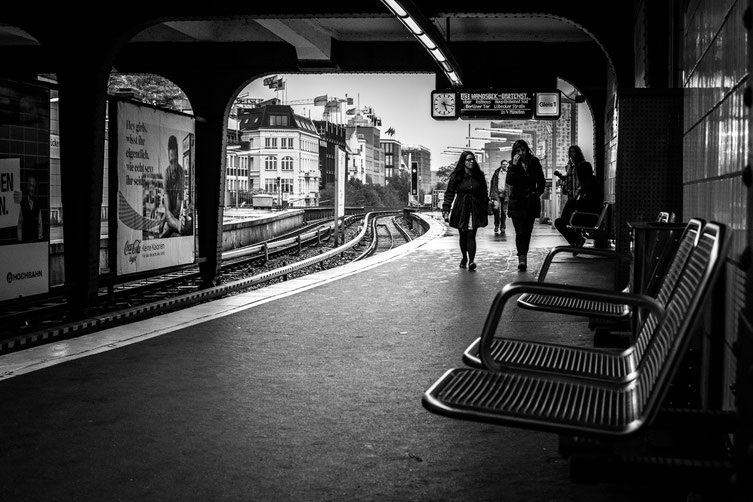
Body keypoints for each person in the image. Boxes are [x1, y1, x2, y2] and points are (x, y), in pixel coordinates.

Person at [441, 150, 489, 271]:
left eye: (473, 159)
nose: (471, 161)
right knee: (463, 235)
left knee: (471, 235)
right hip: (461, 207)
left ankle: (472, 261)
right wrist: (446, 208)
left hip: (475, 207)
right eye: (469, 159)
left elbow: (484, 192)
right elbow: (450, 193)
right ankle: (464, 257)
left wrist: (485, 206)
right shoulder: (456, 176)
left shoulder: (479, 175)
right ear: (463, 161)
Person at [506, 139, 546, 272]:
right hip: (517, 202)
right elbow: (510, 181)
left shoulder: (534, 162)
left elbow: (541, 180)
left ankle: (524, 255)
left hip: (530, 202)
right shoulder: (512, 164)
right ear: (514, 152)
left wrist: (536, 193)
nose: (521, 153)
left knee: (527, 231)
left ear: (527, 150)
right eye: (518, 151)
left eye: (523, 150)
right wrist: (515, 165)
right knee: (520, 231)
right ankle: (521, 258)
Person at [554, 159, 602, 247]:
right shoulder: (591, 183)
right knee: (571, 202)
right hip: (588, 215)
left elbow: (587, 204)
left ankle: (577, 240)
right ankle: (576, 240)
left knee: (559, 222)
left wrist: (576, 205)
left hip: (588, 217)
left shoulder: (590, 186)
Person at [160, 135, 189, 238]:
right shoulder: (166, 174)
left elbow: (177, 208)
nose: (173, 167)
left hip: (175, 217)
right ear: (169, 159)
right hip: (171, 217)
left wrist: (168, 217)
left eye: (175, 161)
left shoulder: (181, 173)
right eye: (171, 162)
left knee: (167, 229)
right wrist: (168, 216)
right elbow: (168, 210)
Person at [553, 145, 586, 237]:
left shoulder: (579, 164)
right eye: (570, 152)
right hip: (571, 193)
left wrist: (578, 191)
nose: (572, 154)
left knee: (569, 216)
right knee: (567, 216)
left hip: (577, 194)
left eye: (574, 152)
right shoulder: (569, 165)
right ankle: (576, 237)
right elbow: (567, 178)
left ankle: (576, 237)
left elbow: (580, 180)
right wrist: (559, 175)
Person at [16, 175, 43, 242]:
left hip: (35, 241)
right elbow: (19, 225)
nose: (32, 189)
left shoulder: (37, 204)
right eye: (31, 185)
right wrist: (20, 240)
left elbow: (40, 223)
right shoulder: (23, 203)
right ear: (28, 187)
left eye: (33, 186)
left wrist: (39, 238)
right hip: (25, 241)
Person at [489, 159, 509, 235]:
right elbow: (492, 183)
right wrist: (491, 195)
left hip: (505, 195)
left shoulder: (509, 173)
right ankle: (496, 225)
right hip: (497, 194)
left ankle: (503, 227)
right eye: (503, 164)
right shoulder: (497, 173)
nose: (505, 165)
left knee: (504, 211)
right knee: (496, 210)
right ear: (501, 165)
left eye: (506, 164)